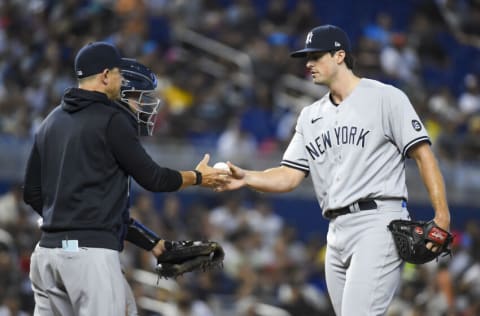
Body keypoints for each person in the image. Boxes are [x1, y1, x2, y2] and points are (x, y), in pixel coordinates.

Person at [219, 25, 451, 315]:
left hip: (377, 222)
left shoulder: (385, 98)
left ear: (340, 55)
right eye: (307, 57)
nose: (308, 64)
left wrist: (442, 214)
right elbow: (289, 175)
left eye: (316, 56)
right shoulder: (310, 116)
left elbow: (424, 155)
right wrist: (247, 177)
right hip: (335, 231)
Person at [23, 42, 229, 316]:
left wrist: (153, 244)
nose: (121, 81)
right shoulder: (111, 119)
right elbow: (154, 178)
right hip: (90, 258)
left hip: (46, 256)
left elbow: (32, 194)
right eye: (119, 74)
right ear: (106, 75)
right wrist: (199, 177)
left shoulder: (50, 121)